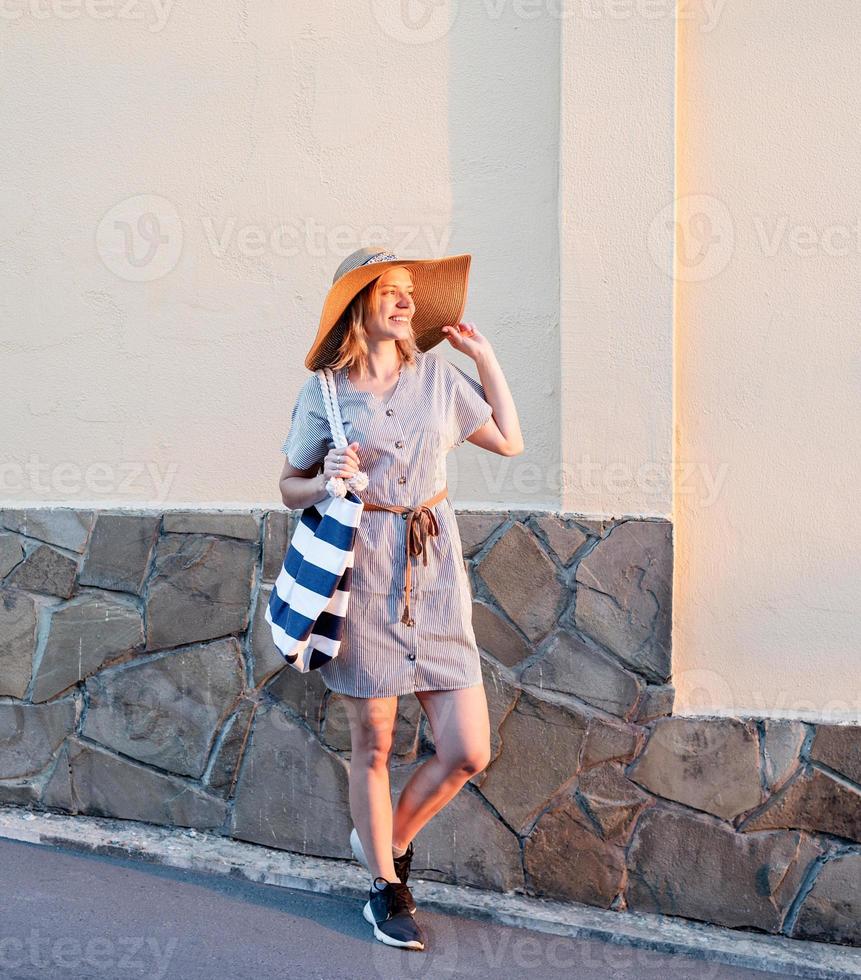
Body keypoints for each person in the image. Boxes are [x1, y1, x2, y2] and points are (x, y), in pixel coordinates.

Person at [278, 246, 523, 952]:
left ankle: (383, 842)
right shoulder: (325, 392)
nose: (404, 300)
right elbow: (287, 488)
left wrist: (485, 359)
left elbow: (508, 440)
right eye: (388, 290)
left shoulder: (437, 378)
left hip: (434, 568)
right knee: (374, 743)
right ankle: (387, 888)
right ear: (358, 304)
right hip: (363, 572)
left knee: (467, 749)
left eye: (409, 290)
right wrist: (325, 479)